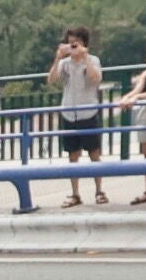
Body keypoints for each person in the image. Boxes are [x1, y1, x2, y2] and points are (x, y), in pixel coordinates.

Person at [45, 26, 108, 204]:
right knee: (73, 155)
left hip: (88, 112)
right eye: (70, 43)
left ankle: (99, 191)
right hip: (69, 113)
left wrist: (85, 56)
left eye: (76, 44)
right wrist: (58, 58)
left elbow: (96, 78)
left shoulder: (93, 60)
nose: (73, 47)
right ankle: (75, 193)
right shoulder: (65, 64)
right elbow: (51, 80)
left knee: (94, 153)